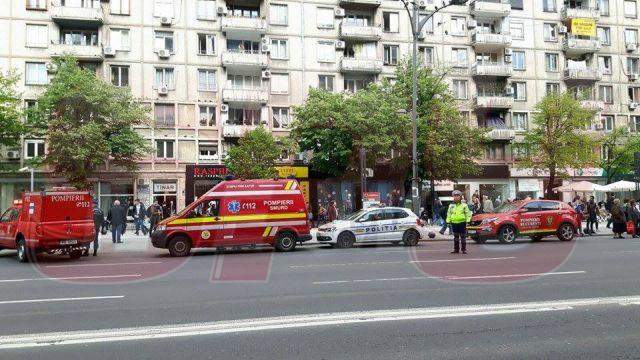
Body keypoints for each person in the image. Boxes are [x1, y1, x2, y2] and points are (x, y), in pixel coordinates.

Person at [446, 190, 472, 254]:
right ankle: (456, 249)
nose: (456, 197)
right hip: (454, 223)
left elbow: (468, 214)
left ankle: (464, 249)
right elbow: (449, 214)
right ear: (453, 197)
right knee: (456, 237)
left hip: (462, 223)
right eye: (455, 196)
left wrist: (468, 221)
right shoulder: (451, 205)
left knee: (463, 237)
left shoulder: (464, 205)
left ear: (460, 197)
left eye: (457, 196)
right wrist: (448, 221)